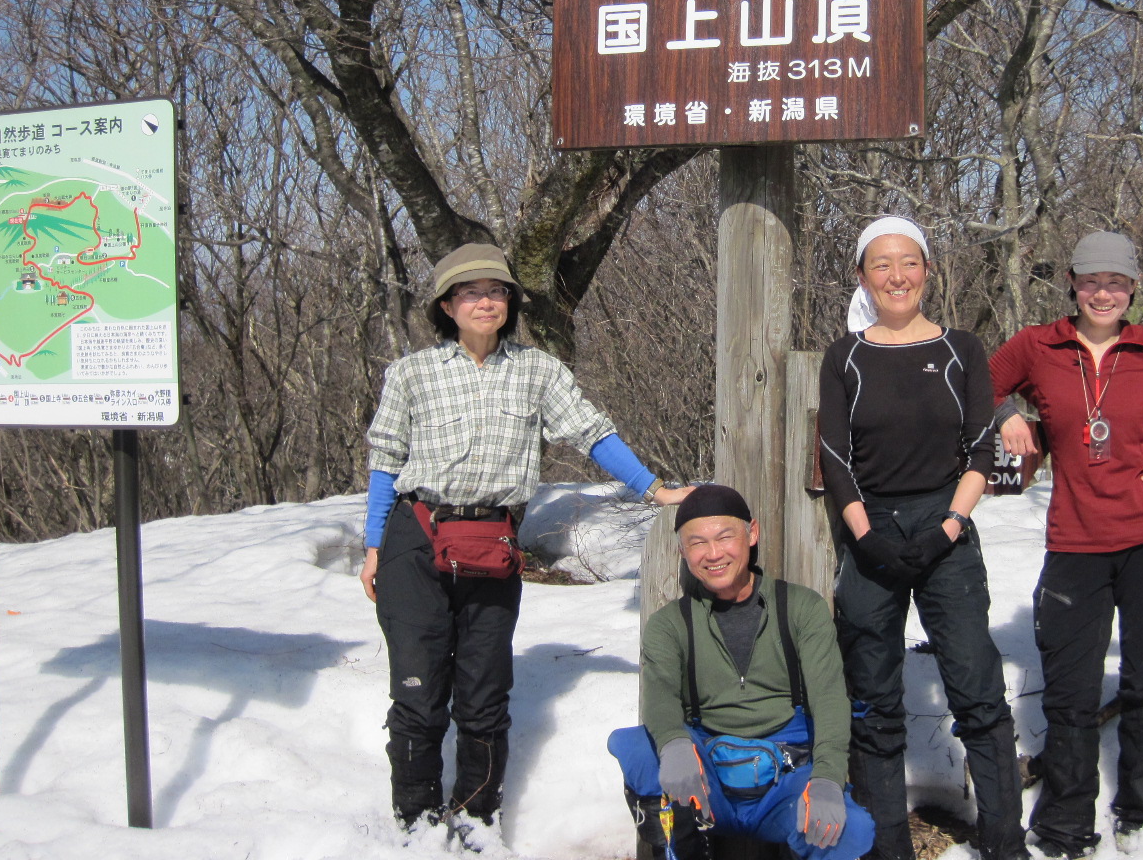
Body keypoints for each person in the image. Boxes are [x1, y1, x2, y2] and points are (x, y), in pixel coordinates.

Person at [360, 242, 689, 840]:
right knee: (417, 693)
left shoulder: (538, 371)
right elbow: (386, 461)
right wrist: (374, 545)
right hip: (416, 537)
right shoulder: (411, 374)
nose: (485, 302)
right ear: (446, 304)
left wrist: (652, 489)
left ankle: (476, 829)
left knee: (484, 697)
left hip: (491, 541)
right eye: (470, 292)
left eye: (496, 291)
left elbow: (592, 432)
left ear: (510, 302)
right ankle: (414, 830)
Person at [989, 230, 1143, 857]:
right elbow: (976, 385)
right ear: (1073, 283)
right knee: (1071, 692)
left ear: (1133, 289)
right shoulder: (1036, 346)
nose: (1104, 293)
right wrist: (1007, 417)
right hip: (1075, 543)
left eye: (1117, 283)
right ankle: (1066, 825)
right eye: (1092, 281)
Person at [818, 216, 1030, 860]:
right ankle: (887, 844)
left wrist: (950, 525)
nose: (896, 276)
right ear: (862, 277)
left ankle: (1002, 839)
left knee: (975, 684)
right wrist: (865, 536)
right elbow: (834, 454)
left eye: (908, 262)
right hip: (871, 530)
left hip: (948, 525)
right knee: (872, 692)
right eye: (881, 264)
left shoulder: (961, 348)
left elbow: (979, 446)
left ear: (928, 272)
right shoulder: (845, 356)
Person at [607, 484, 876, 860]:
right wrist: (673, 744)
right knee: (637, 746)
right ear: (682, 551)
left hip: (787, 779)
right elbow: (660, 694)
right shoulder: (670, 624)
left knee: (852, 830)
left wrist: (828, 779)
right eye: (697, 543)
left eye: (724, 537)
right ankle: (682, 848)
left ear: (752, 533)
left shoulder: (799, 608)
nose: (713, 554)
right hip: (706, 785)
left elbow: (830, 697)